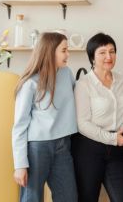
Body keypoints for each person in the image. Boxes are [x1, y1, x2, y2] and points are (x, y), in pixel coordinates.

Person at [12, 32, 78, 202]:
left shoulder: (67, 73)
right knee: (31, 198)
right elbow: (19, 125)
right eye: (64, 50)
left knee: (68, 197)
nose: (68, 54)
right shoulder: (30, 83)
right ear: (50, 52)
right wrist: (20, 165)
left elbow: (79, 96)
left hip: (63, 144)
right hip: (37, 148)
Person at [72, 33, 123, 202]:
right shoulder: (83, 84)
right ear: (92, 57)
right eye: (102, 52)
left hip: (117, 150)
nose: (109, 56)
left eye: (112, 51)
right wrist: (112, 138)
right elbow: (82, 123)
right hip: (89, 150)